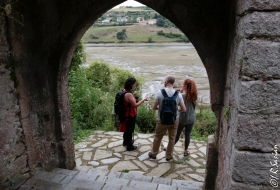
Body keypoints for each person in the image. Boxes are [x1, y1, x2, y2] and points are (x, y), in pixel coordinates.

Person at [148, 75, 186, 161]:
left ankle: (153, 154)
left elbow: (154, 107)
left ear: (166, 82)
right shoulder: (178, 94)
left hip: (162, 119)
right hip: (174, 119)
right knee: (172, 138)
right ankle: (168, 156)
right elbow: (184, 109)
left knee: (158, 136)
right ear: (173, 83)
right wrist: (176, 109)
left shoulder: (159, 92)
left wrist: (161, 109)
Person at [120, 77, 149, 151]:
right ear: (131, 85)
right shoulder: (129, 94)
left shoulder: (123, 91)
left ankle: (125, 142)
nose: (135, 85)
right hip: (130, 115)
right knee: (130, 130)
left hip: (125, 114)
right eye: (134, 84)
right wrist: (143, 100)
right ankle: (129, 146)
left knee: (127, 129)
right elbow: (135, 105)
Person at [174, 78, 197, 156]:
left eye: (183, 84)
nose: (182, 85)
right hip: (191, 118)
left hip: (183, 118)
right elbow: (194, 107)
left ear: (186, 86)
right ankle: (186, 151)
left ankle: (169, 148)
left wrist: (180, 90)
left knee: (177, 134)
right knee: (188, 134)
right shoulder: (194, 96)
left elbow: (176, 101)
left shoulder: (182, 95)